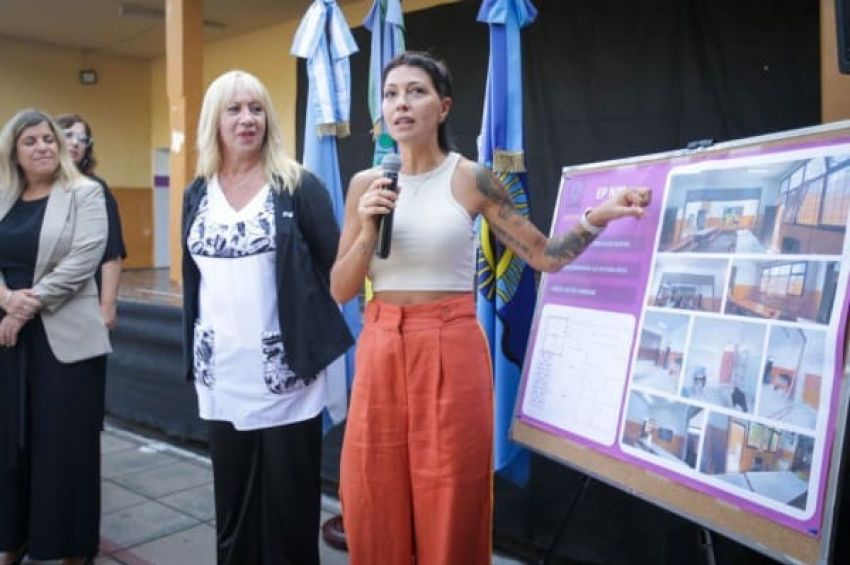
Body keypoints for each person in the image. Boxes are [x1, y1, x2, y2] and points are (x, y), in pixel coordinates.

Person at [332, 51, 652, 565]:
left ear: (443, 106)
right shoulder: (364, 187)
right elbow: (341, 289)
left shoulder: (472, 179)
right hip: (380, 345)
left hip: (450, 344)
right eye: (391, 94)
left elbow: (544, 255)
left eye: (416, 91)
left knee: (450, 496)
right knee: (373, 493)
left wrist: (598, 217)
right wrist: (369, 229)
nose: (401, 104)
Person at [181, 70, 353, 565]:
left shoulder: (297, 185)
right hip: (221, 374)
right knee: (232, 506)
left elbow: (337, 272)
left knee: (288, 511)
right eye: (234, 109)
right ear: (214, 120)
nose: (247, 119)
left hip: (286, 377)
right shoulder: (197, 192)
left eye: (256, 108)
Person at [0, 109, 109, 565]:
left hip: (65, 337)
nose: (43, 146)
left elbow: (86, 258)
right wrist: (5, 299)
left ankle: (71, 545)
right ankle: (15, 536)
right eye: (31, 141)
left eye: (49, 139)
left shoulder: (86, 192)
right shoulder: (3, 197)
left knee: (65, 445)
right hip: (8, 336)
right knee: (11, 443)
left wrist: (25, 305)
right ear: (14, 152)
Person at [55, 114, 127, 330]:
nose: (76, 143)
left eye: (83, 139)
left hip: (82, 299)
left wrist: (107, 306)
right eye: (68, 135)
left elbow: (111, 252)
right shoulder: (28, 187)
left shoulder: (95, 189)